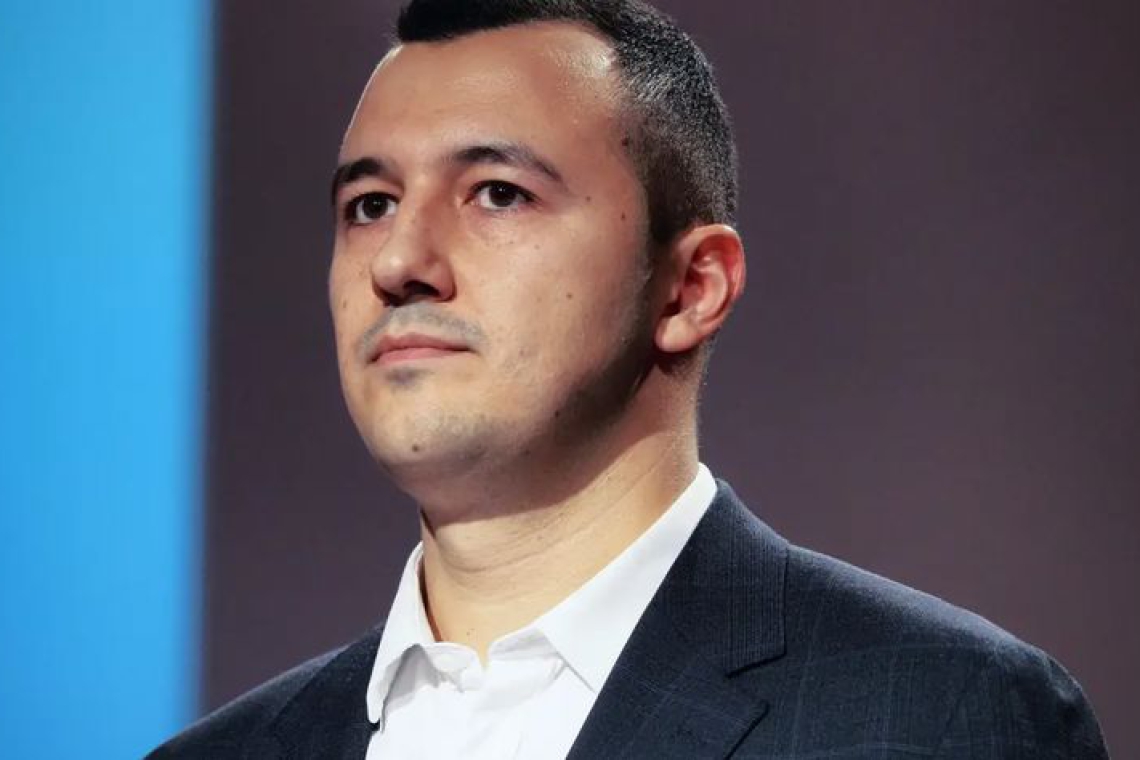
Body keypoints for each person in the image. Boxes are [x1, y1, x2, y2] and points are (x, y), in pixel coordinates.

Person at [150, 0, 1109, 757]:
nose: (399, 260)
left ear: (691, 288)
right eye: (369, 204)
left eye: (498, 193)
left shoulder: (940, 716)